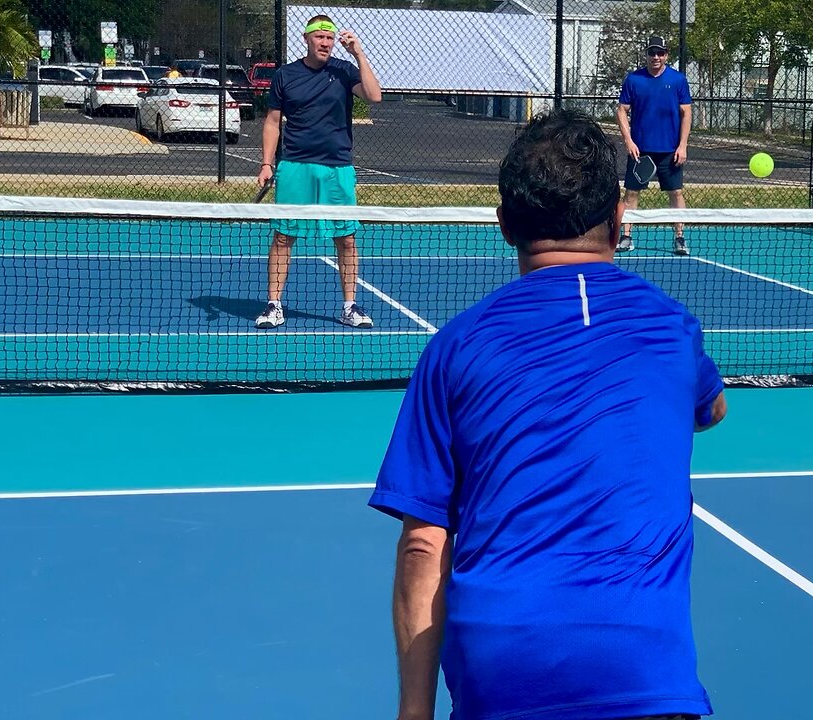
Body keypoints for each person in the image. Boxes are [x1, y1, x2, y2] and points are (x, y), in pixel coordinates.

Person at [369, 109, 727, 720]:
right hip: (645, 671)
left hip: (501, 671)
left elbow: (424, 547)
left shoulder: (455, 347)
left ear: (505, 224)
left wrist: (413, 711)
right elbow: (712, 408)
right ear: (620, 216)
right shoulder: (672, 327)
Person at [254, 14, 382, 329]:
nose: (324, 43)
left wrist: (358, 53)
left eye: (329, 37)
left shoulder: (344, 70)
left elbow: (374, 95)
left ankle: (349, 307)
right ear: (307, 38)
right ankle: (274, 305)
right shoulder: (286, 75)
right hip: (295, 166)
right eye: (319, 37)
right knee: (284, 236)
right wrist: (267, 163)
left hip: (337, 168)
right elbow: (272, 121)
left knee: (347, 239)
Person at [616, 35, 693, 256]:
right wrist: (628, 141)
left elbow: (686, 112)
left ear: (666, 55)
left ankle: (680, 238)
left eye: (660, 53)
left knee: (676, 192)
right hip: (640, 151)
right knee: (631, 193)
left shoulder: (678, 80)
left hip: (670, 151)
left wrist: (683, 145)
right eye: (652, 53)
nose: (656, 57)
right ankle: (626, 236)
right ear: (647, 55)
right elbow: (621, 110)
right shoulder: (634, 79)